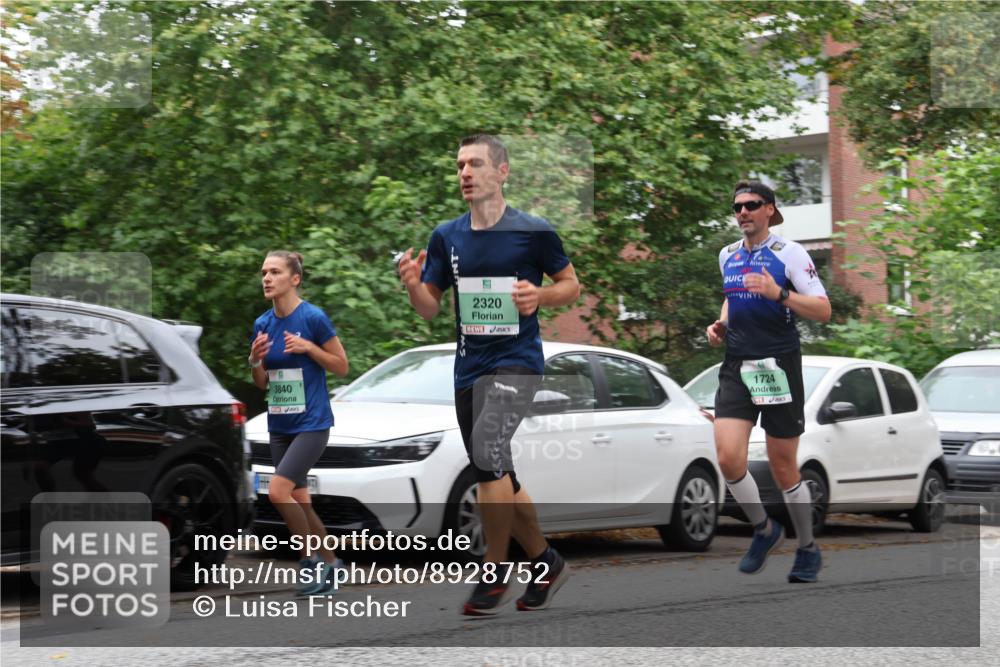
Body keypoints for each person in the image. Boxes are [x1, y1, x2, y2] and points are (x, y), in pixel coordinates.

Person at [397, 134, 581, 615]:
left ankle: (493, 572)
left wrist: (539, 297)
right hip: (468, 369)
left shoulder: (533, 231)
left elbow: (570, 285)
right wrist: (416, 286)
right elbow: (429, 309)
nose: (464, 173)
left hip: (517, 362)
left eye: (475, 164)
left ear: (502, 172)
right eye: (460, 165)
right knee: (498, 472)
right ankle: (546, 562)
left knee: (486, 457)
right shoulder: (447, 236)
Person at [707, 181, 832, 583]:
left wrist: (780, 294)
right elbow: (732, 295)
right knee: (727, 458)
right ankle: (764, 528)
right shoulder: (727, 255)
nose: (742, 212)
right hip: (737, 364)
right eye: (737, 206)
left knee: (782, 466)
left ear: (769, 211)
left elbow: (823, 310)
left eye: (751, 205)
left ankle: (807, 548)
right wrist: (722, 323)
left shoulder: (791, 254)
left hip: (778, 365)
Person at [249, 250, 350, 596]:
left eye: (274, 272)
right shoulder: (262, 324)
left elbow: (341, 366)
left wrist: (309, 348)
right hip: (280, 424)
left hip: (312, 423)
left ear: (294, 279)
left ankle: (310, 565)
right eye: (264, 272)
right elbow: (262, 383)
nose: (266, 278)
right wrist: (254, 361)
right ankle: (334, 565)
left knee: (278, 491)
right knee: (301, 502)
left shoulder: (313, 318)